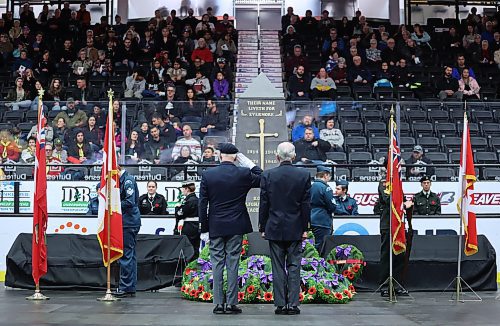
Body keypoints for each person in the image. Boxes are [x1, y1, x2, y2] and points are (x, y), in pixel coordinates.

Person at [199, 143, 262, 314]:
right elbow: (263, 177)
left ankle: (219, 303)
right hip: (236, 224)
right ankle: (232, 303)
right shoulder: (243, 173)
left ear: (219, 155)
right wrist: (247, 163)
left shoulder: (208, 175)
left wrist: (204, 228)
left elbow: (203, 203)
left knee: (217, 263)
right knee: (233, 263)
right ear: (235, 157)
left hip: (216, 224)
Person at [259, 142, 311, 315]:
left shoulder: (268, 175)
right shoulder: (303, 175)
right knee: (295, 265)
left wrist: (262, 226)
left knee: (277, 266)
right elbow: (305, 205)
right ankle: (293, 304)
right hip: (296, 227)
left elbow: (264, 203)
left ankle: (280, 304)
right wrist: (305, 228)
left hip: (274, 227)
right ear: (294, 156)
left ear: (277, 157)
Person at [374, 180, 410, 297]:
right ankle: (385, 286)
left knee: (400, 255)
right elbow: (388, 200)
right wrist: (404, 204)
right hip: (388, 224)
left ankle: (397, 285)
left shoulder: (397, 183)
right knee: (387, 256)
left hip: (399, 224)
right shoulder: (384, 184)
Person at [114, 166, 141, 298]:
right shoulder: (124, 180)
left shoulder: (128, 181)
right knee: (131, 255)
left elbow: (129, 202)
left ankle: (125, 287)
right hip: (128, 221)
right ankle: (129, 286)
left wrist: (113, 204)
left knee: (126, 255)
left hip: (128, 222)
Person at [310, 166, 336, 250]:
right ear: (325, 175)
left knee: (312, 246)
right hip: (322, 220)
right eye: (329, 176)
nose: (329, 178)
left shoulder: (311, 186)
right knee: (322, 246)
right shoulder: (325, 188)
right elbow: (332, 206)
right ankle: (319, 262)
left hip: (311, 218)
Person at [174, 181, 200, 257]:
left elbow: (180, 214)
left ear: (187, 189)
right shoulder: (196, 199)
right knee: (195, 248)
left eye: (183, 188)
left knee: (189, 248)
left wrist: (177, 208)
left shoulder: (189, 201)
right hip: (195, 226)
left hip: (189, 227)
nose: (182, 190)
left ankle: (189, 267)